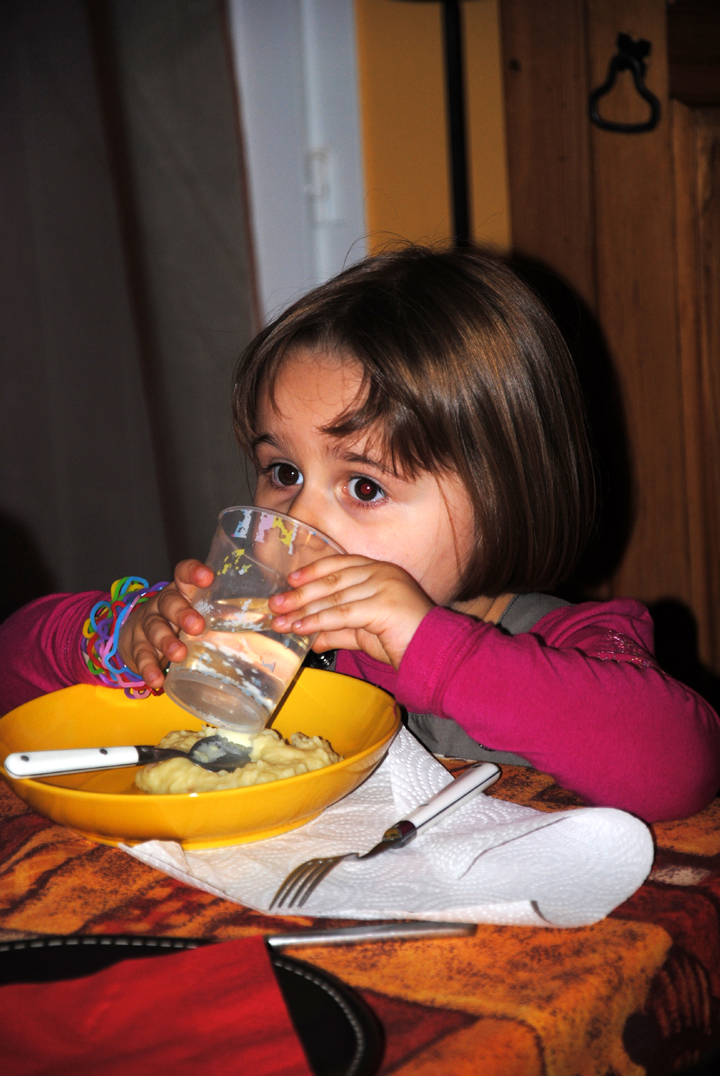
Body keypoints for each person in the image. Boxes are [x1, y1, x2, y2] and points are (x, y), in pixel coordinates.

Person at [2, 246, 719, 822]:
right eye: (283, 471)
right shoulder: (254, 642)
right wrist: (129, 634)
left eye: (365, 486)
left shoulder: (567, 645)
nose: (299, 519)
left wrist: (431, 649)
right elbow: (12, 672)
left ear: (505, 494)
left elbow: (681, 771)